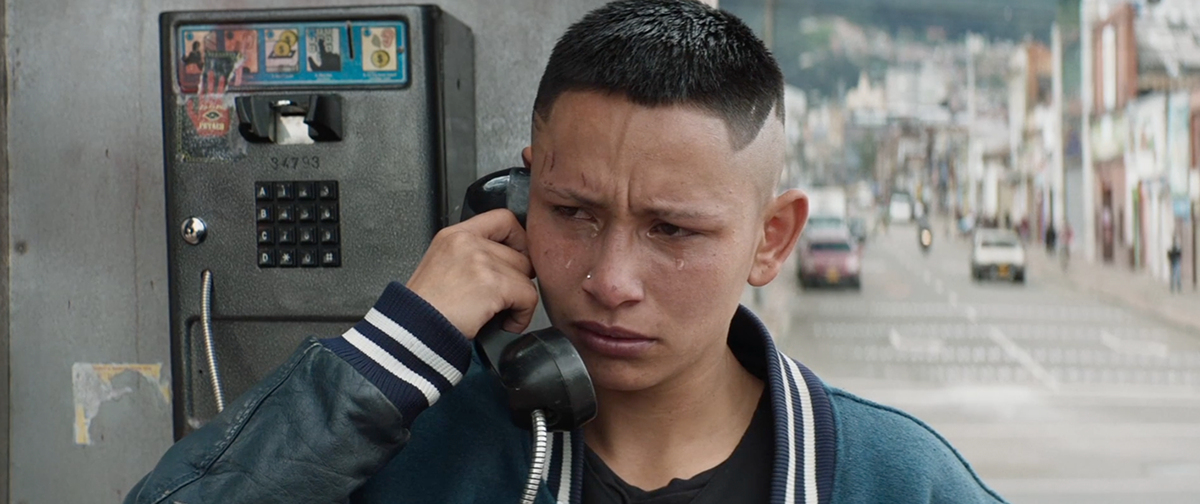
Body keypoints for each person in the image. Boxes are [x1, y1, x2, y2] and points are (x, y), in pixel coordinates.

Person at [126, 2, 1006, 503]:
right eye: (573, 212)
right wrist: (392, 355)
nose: (610, 281)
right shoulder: (414, 456)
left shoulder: (894, 479)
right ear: (518, 196)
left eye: (673, 230)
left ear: (770, 239)